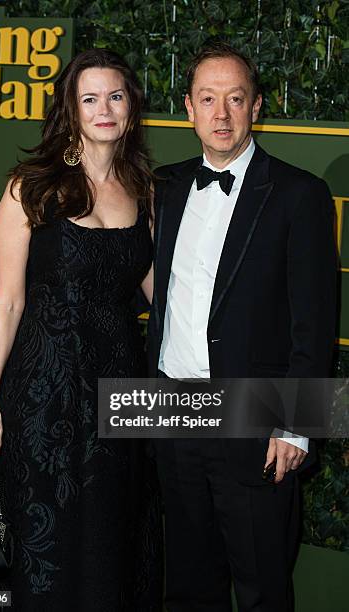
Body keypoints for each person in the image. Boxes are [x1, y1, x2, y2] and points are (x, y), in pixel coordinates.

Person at [0, 49, 162, 611]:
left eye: (115, 96)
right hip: (44, 391)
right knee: (45, 538)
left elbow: (161, 301)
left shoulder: (145, 190)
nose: (104, 109)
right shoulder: (30, 186)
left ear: (131, 108)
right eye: (90, 99)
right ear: (71, 109)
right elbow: (10, 303)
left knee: (112, 533)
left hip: (119, 388)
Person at [147, 43, 337, 612]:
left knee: (262, 589)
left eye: (235, 99)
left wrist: (298, 428)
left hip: (255, 421)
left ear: (257, 106)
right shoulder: (166, 186)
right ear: (189, 108)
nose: (222, 114)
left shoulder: (300, 195)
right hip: (171, 412)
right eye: (208, 99)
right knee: (185, 584)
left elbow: (316, 324)